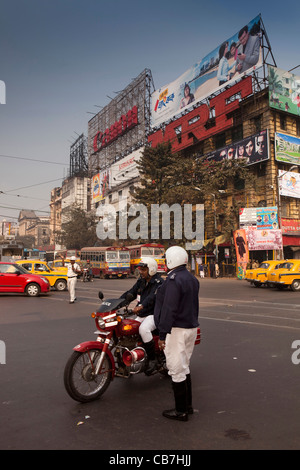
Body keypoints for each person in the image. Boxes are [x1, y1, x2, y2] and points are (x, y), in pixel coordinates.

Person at [154, 246, 199, 421]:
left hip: (177, 330)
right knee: (184, 366)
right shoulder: (192, 279)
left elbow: (169, 309)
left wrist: (163, 334)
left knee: (176, 369)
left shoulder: (173, 280)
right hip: (191, 328)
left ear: (172, 260)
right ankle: (187, 406)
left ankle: (180, 411)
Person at [120, 257, 163, 375]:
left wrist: (141, 306)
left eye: (143, 269)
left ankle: (153, 359)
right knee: (127, 329)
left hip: (154, 314)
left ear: (152, 269)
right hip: (143, 315)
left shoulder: (159, 283)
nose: (141, 272)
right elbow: (131, 293)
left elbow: (153, 297)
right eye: (140, 269)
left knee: (143, 329)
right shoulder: (141, 281)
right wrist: (116, 303)